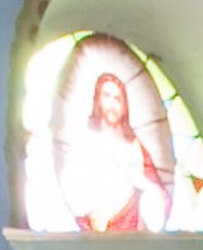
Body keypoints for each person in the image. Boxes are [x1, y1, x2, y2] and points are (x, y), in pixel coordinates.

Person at [60, 63, 169, 233]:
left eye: (117, 99)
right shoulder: (85, 143)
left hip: (131, 232)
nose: (111, 104)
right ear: (98, 101)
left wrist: (140, 182)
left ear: (125, 107)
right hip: (94, 233)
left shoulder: (135, 148)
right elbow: (71, 190)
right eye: (107, 96)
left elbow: (158, 196)